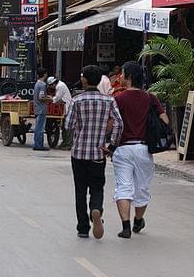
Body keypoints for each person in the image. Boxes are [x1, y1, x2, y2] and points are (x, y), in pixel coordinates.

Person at [111, 61, 169, 238]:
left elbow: (111, 123)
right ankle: (138, 220)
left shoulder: (118, 99)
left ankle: (126, 226)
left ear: (128, 77)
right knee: (142, 188)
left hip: (122, 149)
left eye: (122, 74)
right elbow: (165, 120)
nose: (119, 77)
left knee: (123, 187)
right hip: (144, 149)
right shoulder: (150, 98)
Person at [65, 65, 123, 239]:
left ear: (84, 80)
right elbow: (119, 123)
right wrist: (111, 146)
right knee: (97, 188)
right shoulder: (109, 101)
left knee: (80, 190)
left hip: (79, 153)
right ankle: (96, 210)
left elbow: (68, 125)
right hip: (98, 153)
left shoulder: (77, 100)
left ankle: (83, 227)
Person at [47, 76, 74, 149]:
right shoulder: (59, 85)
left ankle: (68, 144)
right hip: (64, 107)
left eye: (50, 85)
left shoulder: (60, 86)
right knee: (64, 127)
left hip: (67, 107)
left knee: (68, 127)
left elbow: (57, 98)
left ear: (53, 83)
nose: (50, 87)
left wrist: (49, 99)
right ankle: (64, 143)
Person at [32, 67, 51, 151]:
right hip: (41, 108)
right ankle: (38, 145)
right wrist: (49, 99)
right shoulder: (42, 84)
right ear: (45, 74)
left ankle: (38, 144)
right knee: (40, 128)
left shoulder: (37, 84)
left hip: (37, 108)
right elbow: (41, 97)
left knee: (38, 127)